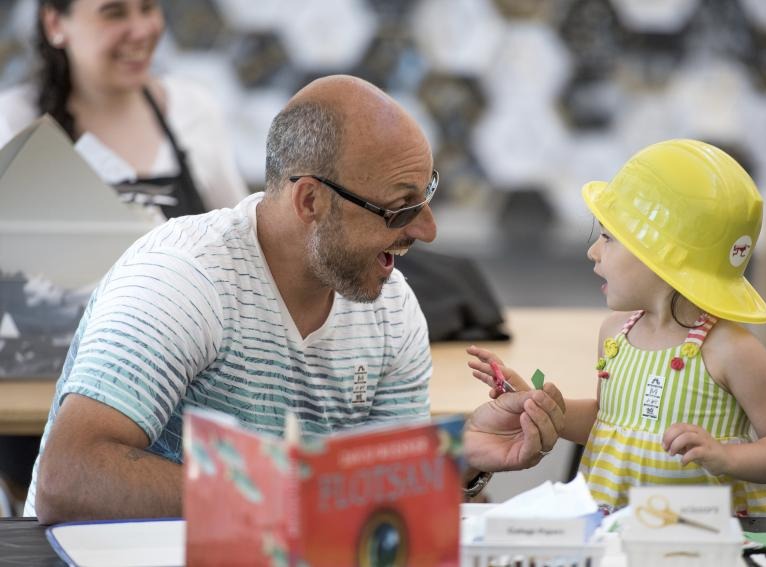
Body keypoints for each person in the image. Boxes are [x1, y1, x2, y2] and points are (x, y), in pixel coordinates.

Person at [26, 75, 563, 523]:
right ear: (311, 200)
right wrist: (296, 495)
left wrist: (458, 458)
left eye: (426, 196)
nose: (427, 229)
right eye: (399, 208)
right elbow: (68, 476)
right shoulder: (184, 279)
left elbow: (379, 503)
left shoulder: (391, 307)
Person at [468, 139, 766, 516]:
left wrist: (727, 456)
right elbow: (608, 420)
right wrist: (541, 407)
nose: (592, 251)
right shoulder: (615, 334)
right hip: (614, 530)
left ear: (663, 255)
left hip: (701, 541)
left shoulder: (730, 350)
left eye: (608, 238)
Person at [0, 0, 248, 217]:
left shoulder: (193, 108)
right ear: (55, 24)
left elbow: (241, 245)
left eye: (148, 7)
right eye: (114, 12)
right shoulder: (15, 120)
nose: (141, 31)